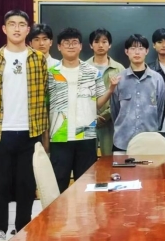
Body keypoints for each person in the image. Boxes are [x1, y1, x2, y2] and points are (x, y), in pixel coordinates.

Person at [0, 10, 48, 240]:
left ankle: (22, 227)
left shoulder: (38, 59)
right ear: (4, 29)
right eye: (12, 24)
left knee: (26, 184)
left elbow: (44, 90)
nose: (17, 29)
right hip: (0, 131)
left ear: (28, 30)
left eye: (21, 24)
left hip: (30, 130)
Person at [47, 27, 117, 193]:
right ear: (59, 47)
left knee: (86, 186)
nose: (71, 46)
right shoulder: (50, 73)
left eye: (74, 42)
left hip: (86, 136)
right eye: (66, 43)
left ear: (80, 46)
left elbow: (97, 104)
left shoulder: (92, 72)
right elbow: (45, 105)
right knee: (59, 184)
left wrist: (110, 90)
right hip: (59, 136)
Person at [110, 34, 165, 152]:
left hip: (149, 141)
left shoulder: (157, 79)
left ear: (147, 51)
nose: (137, 52)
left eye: (140, 48)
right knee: (120, 165)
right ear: (126, 51)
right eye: (133, 48)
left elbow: (160, 109)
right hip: (122, 140)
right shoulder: (118, 79)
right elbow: (114, 110)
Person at [86, 28, 124, 156]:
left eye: (104, 41)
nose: (100, 45)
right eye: (96, 42)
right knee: (87, 160)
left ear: (110, 44)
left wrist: (107, 114)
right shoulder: (83, 67)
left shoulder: (119, 68)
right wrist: (92, 115)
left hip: (110, 121)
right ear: (91, 45)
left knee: (108, 159)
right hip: (87, 121)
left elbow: (122, 96)